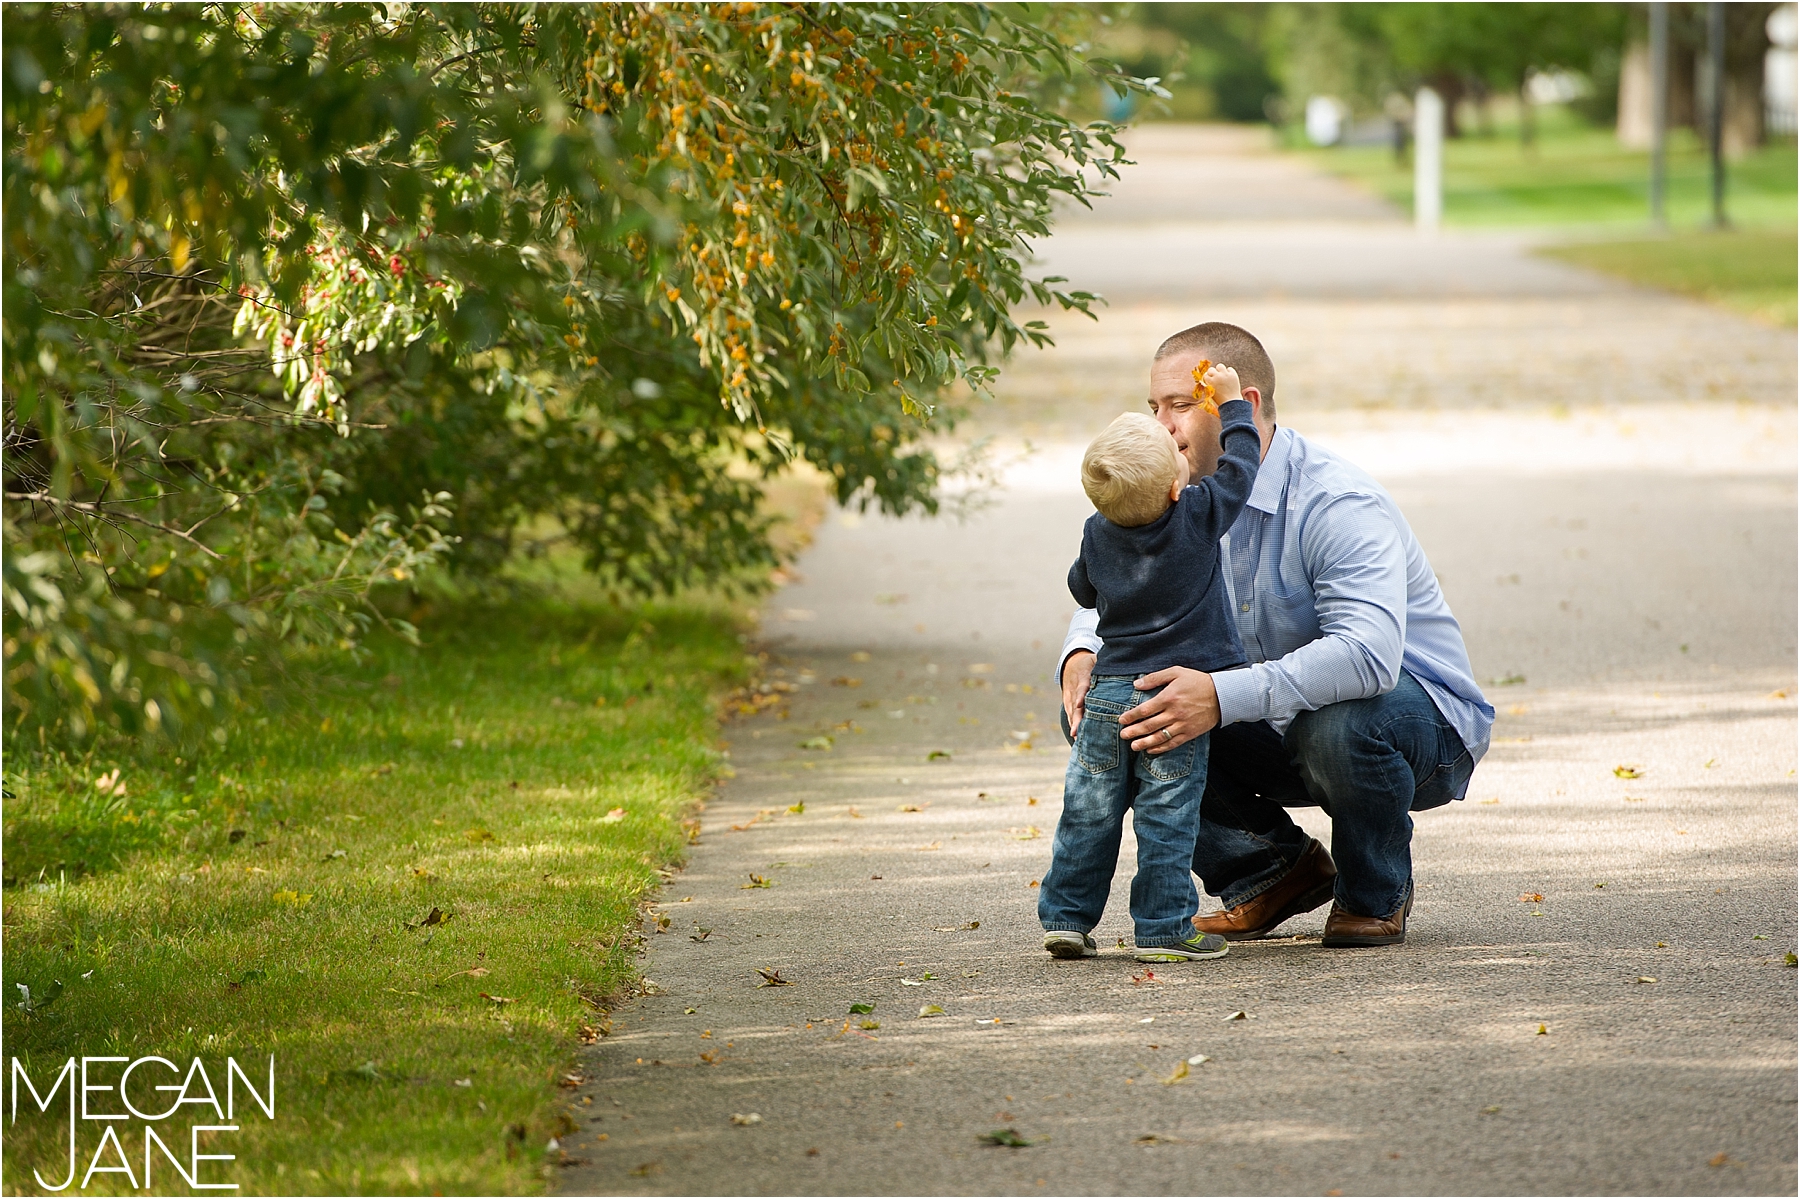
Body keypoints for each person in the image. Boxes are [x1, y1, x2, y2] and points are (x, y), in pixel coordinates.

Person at [1058, 322, 1494, 948]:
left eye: (1181, 405)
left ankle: (1373, 894)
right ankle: (1270, 872)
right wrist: (1082, 653)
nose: (1161, 426)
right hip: (1275, 723)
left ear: (1244, 408)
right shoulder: (1174, 500)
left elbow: (1367, 659)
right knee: (1114, 715)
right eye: (1155, 407)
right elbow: (1122, 586)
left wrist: (1218, 695)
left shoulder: (1334, 501)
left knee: (1338, 726)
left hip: (1412, 723)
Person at [1041, 363, 1260, 964]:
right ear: (1174, 488)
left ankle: (1065, 918)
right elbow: (1242, 469)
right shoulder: (1196, 517)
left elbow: (1081, 589)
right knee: (1167, 819)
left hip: (1108, 693)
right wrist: (1233, 405)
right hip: (1168, 698)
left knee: (1088, 812)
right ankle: (1164, 928)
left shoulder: (1097, 529)